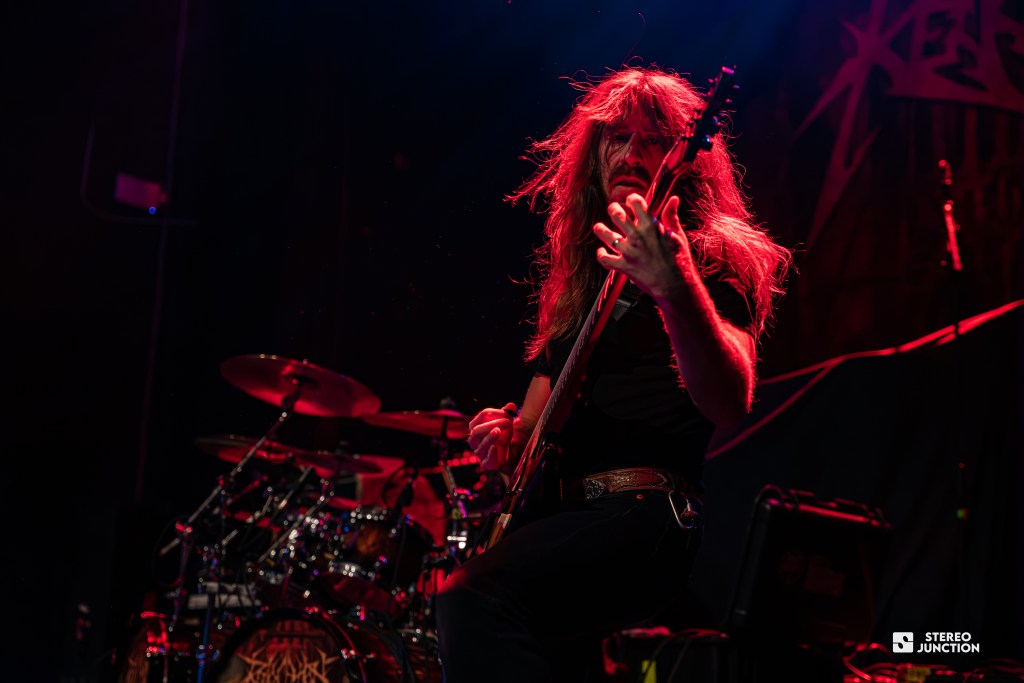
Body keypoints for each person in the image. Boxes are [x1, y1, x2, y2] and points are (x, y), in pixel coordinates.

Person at [435, 65, 792, 682]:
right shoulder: (582, 281)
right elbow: (531, 430)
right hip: (562, 520)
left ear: (686, 160)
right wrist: (505, 440)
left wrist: (675, 287)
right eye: (616, 136)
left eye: (652, 140)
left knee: (472, 597)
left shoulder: (711, 256)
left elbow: (731, 398)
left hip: (642, 517)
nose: (630, 154)